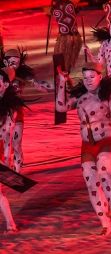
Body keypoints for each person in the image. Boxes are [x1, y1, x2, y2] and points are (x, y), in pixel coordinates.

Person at [56, 62, 111, 235]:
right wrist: (62, 82)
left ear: (100, 76)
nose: (88, 81)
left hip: (108, 141)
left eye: (91, 77)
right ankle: (106, 224)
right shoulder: (81, 97)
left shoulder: (110, 95)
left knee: (104, 173)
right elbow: (60, 107)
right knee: (91, 184)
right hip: (87, 145)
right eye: (85, 77)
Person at [2, 48, 52, 173]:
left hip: (17, 114)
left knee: (16, 143)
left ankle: (17, 171)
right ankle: (6, 167)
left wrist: (53, 86)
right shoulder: (1, 75)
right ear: (4, 61)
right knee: (5, 142)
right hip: (2, 115)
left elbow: (38, 84)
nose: (15, 65)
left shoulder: (22, 75)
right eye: (12, 62)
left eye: (17, 63)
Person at [35, 0, 82, 71]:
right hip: (75, 36)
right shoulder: (70, 3)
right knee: (67, 62)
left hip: (64, 38)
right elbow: (77, 10)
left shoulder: (53, 8)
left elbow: (51, 15)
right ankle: (66, 75)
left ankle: (63, 77)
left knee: (61, 61)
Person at [0, 67, 24, 234]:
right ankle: (10, 224)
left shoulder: (10, 107)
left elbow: (7, 132)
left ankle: (10, 224)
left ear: (5, 84)